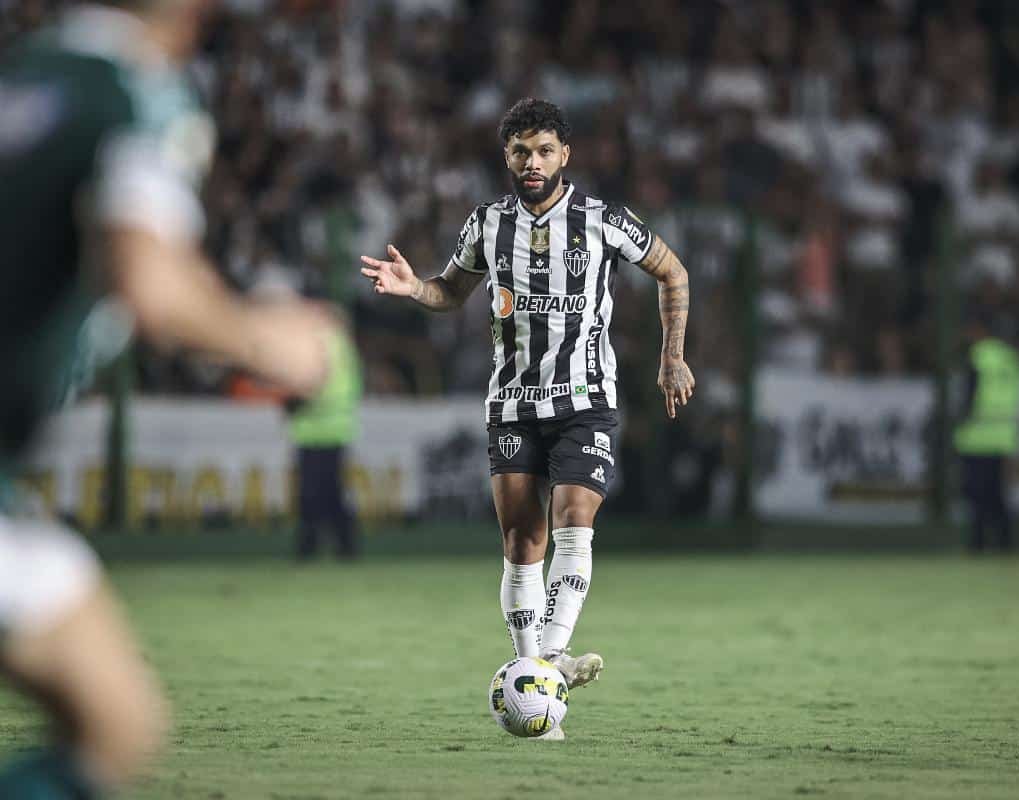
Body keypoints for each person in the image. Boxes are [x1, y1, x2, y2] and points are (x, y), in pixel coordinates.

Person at [0, 2, 333, 796]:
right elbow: (146, 281)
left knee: (111, 714)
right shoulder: (138, 94)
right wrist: (268, 339)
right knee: (115, 726)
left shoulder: (31, 73)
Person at [360, 98, 694, 738]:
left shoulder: (602, 220)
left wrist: (672, 355)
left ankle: (543, 670)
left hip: (585, 401)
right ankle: (542, 670)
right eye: (520, 152)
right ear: (506, 156)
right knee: (521, 541)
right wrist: (414, 288)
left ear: (565, 155)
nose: (532, 163)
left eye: (543, 151)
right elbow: (450, 292)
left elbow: (672, 271)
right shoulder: (486, 224)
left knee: (573, 519)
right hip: (511, 404)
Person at [287, 328, 363, 561]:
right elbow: (349, 388)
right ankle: (342, 546)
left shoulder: (314, 346)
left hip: (319, 431)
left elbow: (309, 387)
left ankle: (313, 547)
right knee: (328, 494)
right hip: (325, 432)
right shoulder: (341, 347)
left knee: (315, 494)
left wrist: (297, 401)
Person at [954, 315, 1019, 552]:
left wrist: (959, 424)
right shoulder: (1013, 359)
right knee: (997, 495)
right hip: (1004, 435)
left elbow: (969, 397)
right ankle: (1005, 544)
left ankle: (978, 545)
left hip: (976, 436)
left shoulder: (978, 357)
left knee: (976, 496)